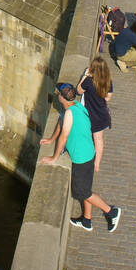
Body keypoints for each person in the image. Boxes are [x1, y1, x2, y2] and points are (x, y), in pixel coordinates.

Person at [39, 83, 121, 233]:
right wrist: (51, 139)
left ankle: (111, 211)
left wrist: (54, 157)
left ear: (61, 97)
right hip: (88, 153)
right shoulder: (75, 105)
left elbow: (64, 137)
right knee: (86, 188)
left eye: (58, 93)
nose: (57, 95)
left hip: (81, 157)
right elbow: (61, 122)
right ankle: (86, 220)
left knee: (82, 192)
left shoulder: (70, 113)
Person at [78, 56, 114, 173]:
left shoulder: (89, 81)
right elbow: (108, 98)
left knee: (86, 137)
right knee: (98, 139)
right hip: (101, 115)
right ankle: (97, 164)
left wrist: (84, 75)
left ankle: (85, 157)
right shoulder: (108, 81)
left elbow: (79, 90)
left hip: (88, 115)